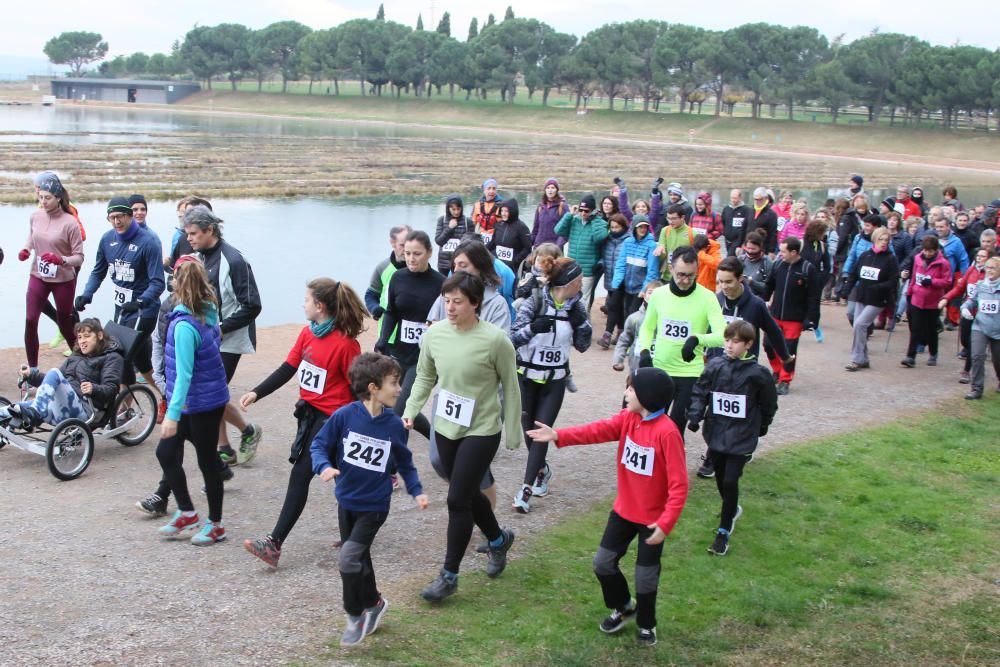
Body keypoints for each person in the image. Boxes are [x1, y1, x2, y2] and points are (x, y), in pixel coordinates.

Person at [525, 367, 687, 647]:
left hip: (652, 521)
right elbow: (597, 430)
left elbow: (679, 485)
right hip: (624, 510)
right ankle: (624, 606)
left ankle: (647, 624)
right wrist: (558, 435)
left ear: (646, 397)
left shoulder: (668, 433)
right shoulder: (628, 419)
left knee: (645, 576)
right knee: (602, 563)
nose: (626, 394)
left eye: (631, 390)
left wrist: (666, 523)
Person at [403, 272, 521, 602]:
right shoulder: (435, 335)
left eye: (458, 302)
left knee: (457, 499)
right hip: (447, 426)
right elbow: (425, 376)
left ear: (475, 304)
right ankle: (498, 540)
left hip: (482, 428)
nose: (450, 307)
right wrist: (412, 409)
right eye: (447, 300)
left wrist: (513, 431)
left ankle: (449, 575)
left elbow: (511, 387)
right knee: (466, 494)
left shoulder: (496, 340)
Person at [241, 278, 368, 568]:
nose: (303, 304)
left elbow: (358, 389)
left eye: (307, 300)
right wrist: (257, 392)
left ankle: (274, 544)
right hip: (310, 416)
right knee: (344, 478)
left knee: (303, 474)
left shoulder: (346, 345)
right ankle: (354, 538)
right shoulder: (307, 334)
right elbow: (289, 368)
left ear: (320, 306)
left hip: (335, 421)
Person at [310, 353, 429, 646]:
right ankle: (374, 602)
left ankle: (354, 616)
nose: (400, 389)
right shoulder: (344, 416)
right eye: (394, 383)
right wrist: (323, 467)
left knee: (348, 558)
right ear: (374, 387)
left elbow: (404, 461)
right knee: (358, 558)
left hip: (375, 506)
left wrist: (416, 490)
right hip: (346, 500)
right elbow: (319, 445)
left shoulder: (393, 425)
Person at [155, 258, 230, 546]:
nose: (171, 282)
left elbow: (184, 375)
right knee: (165, 453)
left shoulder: (185, 326)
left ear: (180, 285)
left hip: (201, 405)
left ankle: (216, 524)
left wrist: (172, 415)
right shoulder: (208, 313)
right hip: (196, 401)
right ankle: (187, 512)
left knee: (207, 461)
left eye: (174, 278)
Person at [180, 205, 263, 466]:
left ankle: (243, 434)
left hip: (231, 337)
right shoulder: (199, 256)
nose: (189, 239)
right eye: (187, 234)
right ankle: (227, 445)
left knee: (211, 393)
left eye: (194, 233)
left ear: (210, 230)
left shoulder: (234, 261)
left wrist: (221, 328)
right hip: (208, 335)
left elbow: (253, 305)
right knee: (212, 392)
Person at [687, 320, 777, 556]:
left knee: (730, 480)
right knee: (720, 478)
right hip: (716, 433)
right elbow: (701, 391)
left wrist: (763, 426)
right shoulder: (715, 365)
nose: (729, 345)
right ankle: (731, 508)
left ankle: (723, 531)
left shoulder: (759, 374)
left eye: (735, 342)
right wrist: (695, 416)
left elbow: (769, 403)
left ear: (748, 344)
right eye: (727, 340)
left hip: (742, 436)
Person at [510, 257, 592, 513]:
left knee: (541, 432)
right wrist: (533, 328)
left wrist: (582, 325)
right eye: (578, 281)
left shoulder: (576, 307)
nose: (581, 285)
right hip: (526, 377)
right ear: (568, 282)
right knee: (527, 432)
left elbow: (582, 345)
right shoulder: (533, 302)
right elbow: (512, 338)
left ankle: (525, 489)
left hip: (554, 382)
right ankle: (542, 470)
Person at [696, 258, 789, 479]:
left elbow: (773, 331)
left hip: (745, 369)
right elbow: (704, 329)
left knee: (739, 411)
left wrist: (785, 356)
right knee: (717, 409)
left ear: (740, 279)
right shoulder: (715, 301)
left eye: (729, 282)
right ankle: (713, 454)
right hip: (718, 366)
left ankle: (742, 448)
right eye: (720, 282)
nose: (724, 287)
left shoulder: (755, 305)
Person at [75, 196, 165, 395]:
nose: (117, 221)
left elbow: (158, 282)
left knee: (120, 356)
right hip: (122, 308)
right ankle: (167, 396)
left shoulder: (148, 242)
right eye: (112, 217)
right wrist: (86, 294)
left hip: (144, 310)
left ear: (130, 215)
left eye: (121, 216)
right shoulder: (107, 239)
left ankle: (125, 409)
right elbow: (98, 271)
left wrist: (140, 301)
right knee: (142, 362)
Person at [637, 247, 727, 431]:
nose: (685, 280)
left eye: (690, 275)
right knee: (652, 425)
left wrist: (697, 339)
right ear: (671, 269)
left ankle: (673, 458)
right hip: (661, 369)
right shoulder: (659, 295)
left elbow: (722, 335)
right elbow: (647, 327)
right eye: (680, 275)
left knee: (675, 427)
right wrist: (645, 351)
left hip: (690, 373)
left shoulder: (708, 298)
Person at [375, 230, 444, 443]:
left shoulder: (440, 283)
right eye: (407, 254)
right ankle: (437, 441)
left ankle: (394, 467)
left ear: (429, 253)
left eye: (417, 254)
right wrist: (383, 340)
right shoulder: (398, 277)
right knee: (394, 404)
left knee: (400, 409)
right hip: (399, 352)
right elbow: (392, 312)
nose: (411, 259)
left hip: (425, 357)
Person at [1, 319, 122, 428]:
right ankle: (31, 413)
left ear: (99, 335)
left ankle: (35, 413)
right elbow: (53, 382)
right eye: (79, 337)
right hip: (60, 405)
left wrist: (93, 388)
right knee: (13, 409)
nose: (82, 341)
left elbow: (111, 389)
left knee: (54, 372)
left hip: (84, 409)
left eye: (87, 336)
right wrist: (31, 375)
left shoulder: (111, 358)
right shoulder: (77, 356)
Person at [20, 173, 84, 370]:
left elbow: (79, 257)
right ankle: (33, 370)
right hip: (38, 275)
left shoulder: (70, 222)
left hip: (63, 279)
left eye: (48, 198)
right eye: (41, 197)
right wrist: (26, 249)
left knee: (64, 321)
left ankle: (82, 360)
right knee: (31, 319)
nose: (43, 201)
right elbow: (33, 237)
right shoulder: (35, 216)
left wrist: (61, 260)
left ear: (58, 198)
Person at [763, 237, 821, 395]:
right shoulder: (778, 264)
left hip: (794, 318)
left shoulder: (808, 269)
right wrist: (762, 300)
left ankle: (785, 380)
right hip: (775, 315)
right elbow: (769, 285)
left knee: (788, 351)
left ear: (794, 252)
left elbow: (814, 297)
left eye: (783, 251)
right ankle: (776, 371)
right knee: (768, 344)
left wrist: (811, 319)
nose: (780, 254)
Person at [843, 228, 900, 371]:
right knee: (859, 327)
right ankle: (864, 358)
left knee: (860, 325)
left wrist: (877, 287)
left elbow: (893, 281)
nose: (884, 243)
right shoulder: (865, 255)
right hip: (861, 297)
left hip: (879, 300)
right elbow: (854, 274)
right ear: (875, 239)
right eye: (881, 239)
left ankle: (856, 359)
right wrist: (846, 290)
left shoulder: (890, 259)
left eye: (886, 240)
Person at [901, 236, 952, 368]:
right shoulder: (917, 258)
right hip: (917, 298)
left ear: (936, 250)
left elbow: (947, 281)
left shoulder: (943, 263)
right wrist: (910, 292)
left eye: (931, 251)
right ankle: (910, 356)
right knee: (915, 328)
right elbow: (914, 276)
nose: (928, 253)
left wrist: (932, 282)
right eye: (926, 250)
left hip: (933, 301)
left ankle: (933, 353)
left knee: (931, 329)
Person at [943, 248, 992, 384]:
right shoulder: (971, 270)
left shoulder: (991, 274)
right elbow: (960, 288)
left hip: (982, 315)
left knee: (972, 343)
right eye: (978, 256)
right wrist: (946, 298)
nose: (980, 258)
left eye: (983, 256)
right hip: (968, 311)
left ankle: (967, 371)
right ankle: (977, 360)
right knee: (965, 339)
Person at [555, 195, 610, 311]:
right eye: (581, 210)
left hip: (587, 270)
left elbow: (599, 237)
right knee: (568, 297)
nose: (583, 213)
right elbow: (558, 230)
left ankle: (583, 323)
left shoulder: (600, 223)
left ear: (593, 211)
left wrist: (594, 219)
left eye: (586, 211)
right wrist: (569, 215)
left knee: (583, 301)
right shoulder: (574, 220)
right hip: (571, 267)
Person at [610, 213, 659, 329]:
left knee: (634, 315)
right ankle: (625, 336)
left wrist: (644, 290)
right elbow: (620, 264)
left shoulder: (651, 245)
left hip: (640, 288)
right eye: (640, 227)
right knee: (623, 310)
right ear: (634, 228)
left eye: (645, 227)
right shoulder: (627, 242)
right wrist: (616, 284)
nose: (643, 229)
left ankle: (632, 340)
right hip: (627, 286)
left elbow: (652, 272)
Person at [961, 256, 1000, 399]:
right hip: (980, 326)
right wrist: (965, 308)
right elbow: (972, 300)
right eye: (987, 268)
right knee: (977, 356)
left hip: (998, 330)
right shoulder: (981, 285)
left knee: (998, 360)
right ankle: (977, 388)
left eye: (993, 268)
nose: (989, 271)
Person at [365, 225, 410, 338]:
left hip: (411, 339)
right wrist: (375, 309)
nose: (406, 249)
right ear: (392, 243)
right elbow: (371, 295)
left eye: (410, 244)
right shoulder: (382, 267)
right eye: (402, 245)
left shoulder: (421, 269)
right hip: (387, 335)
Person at [612, 281, 663, 373]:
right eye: (650, 292)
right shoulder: (634, 318)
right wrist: (618, 360)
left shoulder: (666, 318)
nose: (653, 296)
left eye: (657, 294)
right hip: (636, 364)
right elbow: (624, 339)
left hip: (660, 365)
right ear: (643, 294)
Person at [597, 213, 630, 348]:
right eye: (612, 227)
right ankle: (621, 333)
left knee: (612, 305)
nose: (615, 230)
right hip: (609, 276)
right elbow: (604, 255)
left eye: (617, 227)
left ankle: (607, 334)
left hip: (622, 278)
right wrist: (600, 263)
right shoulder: (608, 240)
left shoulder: (628, 240)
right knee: (617, 307)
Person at [488, 198, 532, 274]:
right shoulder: (499, 225)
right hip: (497, 263)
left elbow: (527, 249)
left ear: (512, 212)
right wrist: (481, 250)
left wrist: (515, 261)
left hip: (512, 266)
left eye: (506, 211)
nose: (503, 214)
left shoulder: (522, 227)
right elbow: (492, 243)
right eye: (502, 211)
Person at [653, 204, 696, 282]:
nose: (670, 222)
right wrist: (660, 250)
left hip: (684, 278)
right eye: (668, 218)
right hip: (667, 276)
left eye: (674, 218)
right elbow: (662, 253)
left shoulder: (692, 233)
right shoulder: (665, 230)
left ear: (682, 217)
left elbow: (696, 258)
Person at [434, 195, 471, 274]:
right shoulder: (442, 220)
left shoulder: (467, 222)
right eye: (453, 209)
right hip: (444, 264)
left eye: (458, 209)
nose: (456, 212)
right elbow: (438, 241)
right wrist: (449, 228)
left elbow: (471, 244)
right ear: (448, 208)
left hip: (461, 263)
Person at [531, 179, 567, 247]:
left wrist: (558, 245)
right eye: (548, 188)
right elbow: (536, 228)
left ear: (557, 190)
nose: (550, 190)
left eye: (553, 188)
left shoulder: (562, 206)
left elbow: (566, 230)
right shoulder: (540, 206)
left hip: (555, 249)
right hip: (539, 247)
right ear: (545, 190)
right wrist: (533, 243)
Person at [738, 232, 773, 298]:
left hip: (759, 299)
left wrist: (752, 283)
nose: (750, 251)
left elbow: (770, 288)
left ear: (760, 247)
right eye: (748, 248)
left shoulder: (766, 262)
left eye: (753, 249)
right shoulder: (741, 259)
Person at [746, 187, 778, 256]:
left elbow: (773, 234)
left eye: (760, 200)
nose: (757, 202)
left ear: (765, 199)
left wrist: (771, 251)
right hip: (748, 246)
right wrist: (742, 244)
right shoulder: (750, 211)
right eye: (755, 199)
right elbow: (745, 228)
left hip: (763, 248)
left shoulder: (771, 214)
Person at [721, 189, 752, 257]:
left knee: (729, 258)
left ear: (740, 198)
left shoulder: (746, 210)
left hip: (739, 241)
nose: (733, 200)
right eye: (731, 198)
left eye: (735, 198)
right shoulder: (726, 209)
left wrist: (742, 243)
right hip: (728, 240)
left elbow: (747, 226)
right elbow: (723, 221)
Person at [472, 178, 502, 244]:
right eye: (489, 188)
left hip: (495, 238)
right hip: (480, 237)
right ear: (484, 190)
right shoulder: (477, 205)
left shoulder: (502, 205)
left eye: (494, 188)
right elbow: (473, 223)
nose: (491, 191)